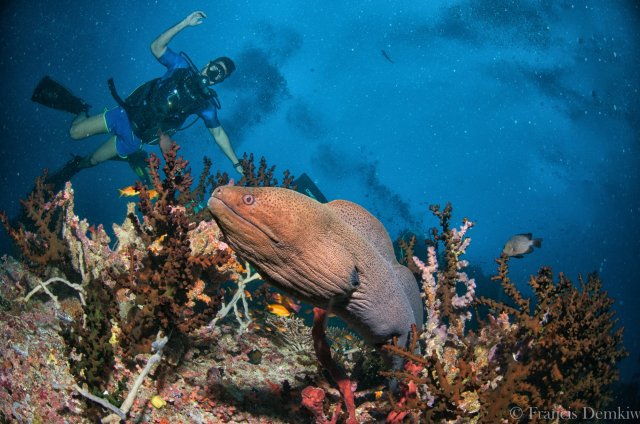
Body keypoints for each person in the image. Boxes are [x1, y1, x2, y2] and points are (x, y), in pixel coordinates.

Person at [32, 11, 243, 190]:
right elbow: (156, 47)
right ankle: (81, 108)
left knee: (93, 160)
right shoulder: (180, 67)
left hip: (137, 137)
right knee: (74, 133)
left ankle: (76, 165)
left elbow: (218, 133)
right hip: (124, 114)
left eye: (220, 75)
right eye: (215, 68)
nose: (214, 74)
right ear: (208, 64)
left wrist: (236, 163)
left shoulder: (205, 105)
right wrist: (185, 23)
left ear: (219, 81)